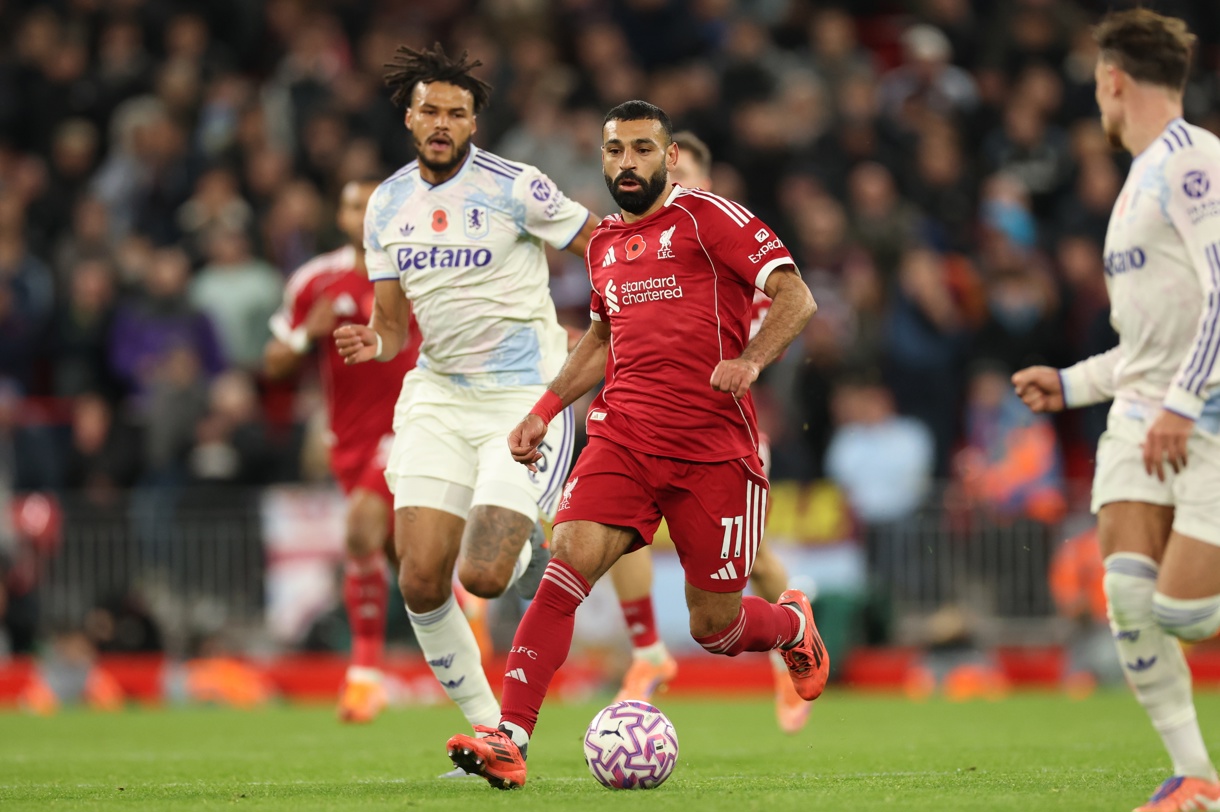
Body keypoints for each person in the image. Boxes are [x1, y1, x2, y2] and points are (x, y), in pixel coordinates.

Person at [445, 100, 826, 790]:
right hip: (623, 439)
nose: (628, 162)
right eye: (615, 150)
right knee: (566, 567)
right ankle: (510, 738)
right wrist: (545, 409)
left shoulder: (710, 218)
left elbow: (796, 296)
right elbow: (601, 338)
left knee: (715, 627)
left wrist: (751, 361)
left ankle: (791, 627)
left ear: (670, 157)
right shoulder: (603, 245)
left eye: (643, 149)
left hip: (713, 450)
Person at [333, 45, 597, 741]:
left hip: (524, 398)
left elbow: (601, 245)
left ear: (474, 122)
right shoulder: (387, 204)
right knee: (420, 580)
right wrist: (374, 342)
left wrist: (621, 316)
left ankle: (523, 541)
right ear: (410, 118)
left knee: (481, 577)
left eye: (457, 112)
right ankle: (492, 734)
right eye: (431, 111)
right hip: (439, 397)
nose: (443, 123)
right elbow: (393, 327)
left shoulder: (517, 187)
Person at [1012, 11, 1220, 812]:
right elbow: (1148, 342)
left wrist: (1185, 403)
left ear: (1113, 81)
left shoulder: (1192, 161)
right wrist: (1070, 385)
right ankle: (1196, 779)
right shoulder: (1136, 182)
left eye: (1097, 82)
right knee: (1130, 600)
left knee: (1187, 615)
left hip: (1203, 416)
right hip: (1141, 414)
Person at [604, 129, 811, 735]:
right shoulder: (635, 244)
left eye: (684, 175)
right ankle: (648, 651)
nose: (673, 187)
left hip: (722, 430)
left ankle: (790, 644)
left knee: (755, 558)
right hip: (645, 426)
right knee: (617, 535)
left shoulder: (728, 245)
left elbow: (784, 314)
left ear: (705, 183)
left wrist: (745, 358)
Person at [264, 178, 419, 723]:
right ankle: (460, 621)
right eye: (355, 206)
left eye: (375, 205)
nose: (365, 214)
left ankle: (364, 676)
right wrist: (308, 333)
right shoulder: (315, 281)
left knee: (358, 529)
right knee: (410, 566)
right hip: (348, 441)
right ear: (341, 216)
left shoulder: (420, 271)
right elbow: (273, 364)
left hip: (412, 427)